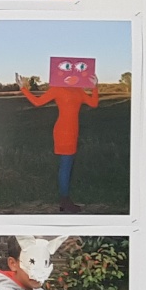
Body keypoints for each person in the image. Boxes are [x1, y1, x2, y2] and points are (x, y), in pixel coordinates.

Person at [20, 64, 99, 213]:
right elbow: (37, 102)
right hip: (62, 131)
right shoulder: (57, 89)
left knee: (68, 164)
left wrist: (95, 87)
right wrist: (23, 88)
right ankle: (64, 200)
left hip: (74, 130)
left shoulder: (78, 90)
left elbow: (93, 103)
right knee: (66, 165)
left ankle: (65, 200)